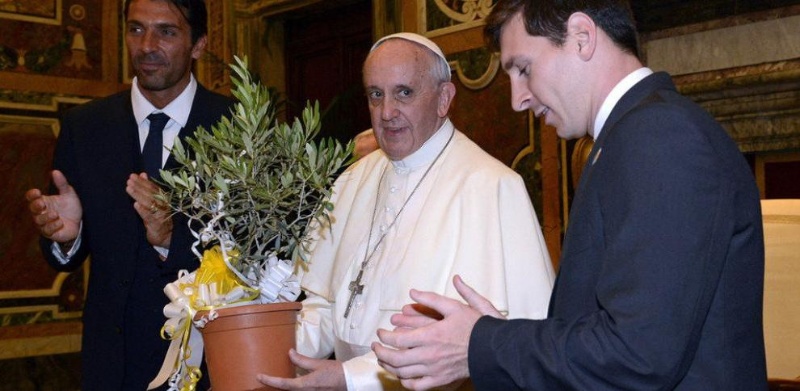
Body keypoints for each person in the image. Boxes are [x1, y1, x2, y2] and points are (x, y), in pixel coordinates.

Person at [372, 1, 767, 390]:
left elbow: (640, 356)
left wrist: (481, 343)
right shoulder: (631, 135)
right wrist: (493, 339)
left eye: (524, 69)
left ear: (581, 37)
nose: (517, 99)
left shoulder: (660, 137)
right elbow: (607, 332)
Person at [256, 32, 555, 390]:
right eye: (375, 95)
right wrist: (267, 356)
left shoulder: (491, 185)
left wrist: (351, 378)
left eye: (404, 93)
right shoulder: (351, 181)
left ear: (444, 98)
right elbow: (323, 304)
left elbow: (480, 343)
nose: (387, 113)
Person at [24, 0, 233, 389]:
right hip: (110, 365)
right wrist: (70, 237)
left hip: (206, 365)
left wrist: (173, 238)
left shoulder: (238, 129)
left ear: (199, 44)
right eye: (136, 29)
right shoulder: (84, 127)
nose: (147, 45)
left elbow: (261, 261)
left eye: (166, 32)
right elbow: (67, 256)